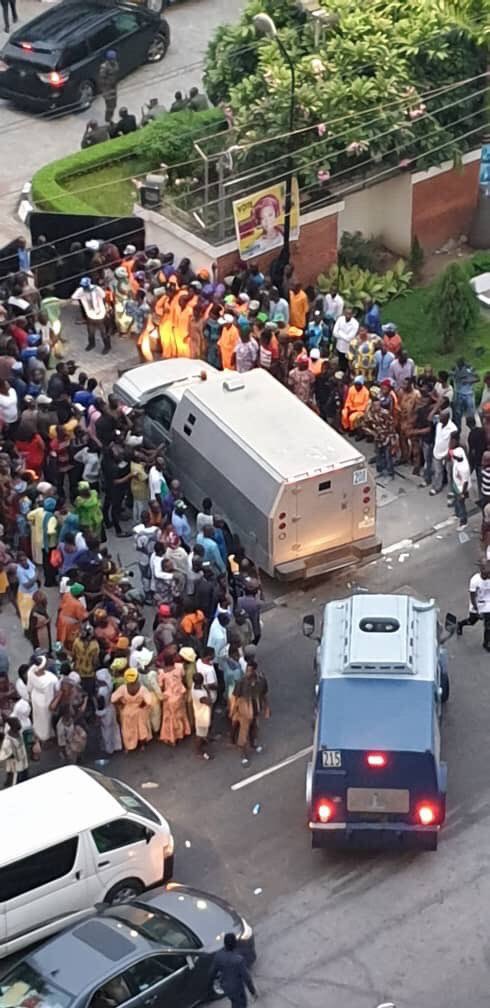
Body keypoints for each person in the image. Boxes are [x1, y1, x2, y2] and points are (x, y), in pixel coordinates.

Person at [209, 932, 257, 1008]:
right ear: (235, 944)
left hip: (226, 987)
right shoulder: (238, 960)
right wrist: (253, 992)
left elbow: (212, 972)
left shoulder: (218, 955)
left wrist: (215, 983)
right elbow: (247, 978)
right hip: (237, 989)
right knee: (241, 1005)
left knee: (234, 1002)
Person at [111, 667, 152, 752]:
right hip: (139, 711)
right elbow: (149, 701)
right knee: (141, 728)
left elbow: (113, 699)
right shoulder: (142, 689)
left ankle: (128, 747)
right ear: (137, 677)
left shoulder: (123, 688)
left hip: (127, 711)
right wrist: (142, 704)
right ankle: (142, 746)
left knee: (127, 730)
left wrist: (121, 704)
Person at [158, 654, 191, 745]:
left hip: (168, 698)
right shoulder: (179, 668)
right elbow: (183, 678)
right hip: (179, 695)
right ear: (173, 660)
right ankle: (181, 734)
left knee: (169, 717)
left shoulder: (162, 672)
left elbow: (160, 686)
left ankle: (171, 737)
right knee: (180, 715)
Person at [457, 563, 490, 650]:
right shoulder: (475, 580)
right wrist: (477, 610)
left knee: (488, 625)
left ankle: (486, 643)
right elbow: (472, 596)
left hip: (488, 603)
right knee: (472, 621)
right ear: (482, 572)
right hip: (477, 603)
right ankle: (460, 624)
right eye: (487, 573)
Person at [27, 655, 59, 744]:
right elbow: (54, 692)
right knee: (46, 720)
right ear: (43, 666)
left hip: (35, 699)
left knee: (37, 717)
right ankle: (45, 737)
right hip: (46, 702)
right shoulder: (51, 679)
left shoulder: (30, 672)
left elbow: (29, 688)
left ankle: (37, 733)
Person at [429, 409, 458, 496]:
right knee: (438, 472)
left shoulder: (453, 428)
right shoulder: (438, 424)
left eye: (441, 416)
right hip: (437, 452)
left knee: (450, 474)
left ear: (447, 418)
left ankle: (451, 490)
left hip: (447, 454)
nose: (439, 418)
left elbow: (454, 443)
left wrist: (449, 453)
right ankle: (437, 487)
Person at [95, 667, 122, 755]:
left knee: (106, 730)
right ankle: (117, 745)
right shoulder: (110, 685)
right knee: (114, 727)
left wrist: (98, 716)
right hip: (111, 708)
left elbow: (100, 706)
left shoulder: (101, 692)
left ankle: (109, 749)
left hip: (105, 712)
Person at [191, 670, 214, 759]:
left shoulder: (194, 687)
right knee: (199, 734)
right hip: (202, 716)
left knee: (202, 732)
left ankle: (204, 739)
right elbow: (209, 702)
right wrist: (208, 690)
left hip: (200, 713)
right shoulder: (200, 694)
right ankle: (198, 750)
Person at [0, 717, 28, 787]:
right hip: (15, 769)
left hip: (24, 765)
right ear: (12, 725)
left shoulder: (19, 733)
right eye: (17, 722)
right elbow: (2, 756)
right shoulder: (8, 741)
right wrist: (10, 755)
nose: (19, 724)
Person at [333, 306, 359, 372]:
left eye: (349, 313)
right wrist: (344, 335)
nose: (347, 315)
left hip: (348, 349)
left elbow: (349, 338)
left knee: (348, 365)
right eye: (346, 313)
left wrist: (340, 332)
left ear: (352, 314)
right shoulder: (340, 319)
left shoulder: (355, 324)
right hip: (339, 346)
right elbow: (334, 333)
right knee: (340, 363)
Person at [451, 445, 470, 530]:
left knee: (461, 504)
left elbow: (465, 482)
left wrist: (462, 493)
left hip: (461, 488)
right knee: (456, 501)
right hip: (456, 484)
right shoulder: (460, 452)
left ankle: (463, 521)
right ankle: (457, 514)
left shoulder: (464, 468)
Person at [98, 50, 119, 123]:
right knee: (110, 105)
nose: (114, 60)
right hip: (107, 89)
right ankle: (108, 119)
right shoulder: (104, 67)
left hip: (113, 86)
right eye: (112, 59)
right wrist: (106, 88)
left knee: (114, 104)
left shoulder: (115, 64)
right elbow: (101, 80)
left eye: (114, 58)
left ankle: (111, 116)